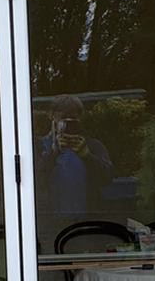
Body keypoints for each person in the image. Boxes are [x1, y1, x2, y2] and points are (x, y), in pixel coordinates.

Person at [36, 94, 113, 241]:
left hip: (87, 224)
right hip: (49, 224)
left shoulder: (92, 145)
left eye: (73, 120)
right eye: (64, 120)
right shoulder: (38, 146)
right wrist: (53, 154)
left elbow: (107, 178)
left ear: (80, 119)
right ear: (51, 116)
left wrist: (87, 156)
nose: (68, 125)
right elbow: (34, 182)